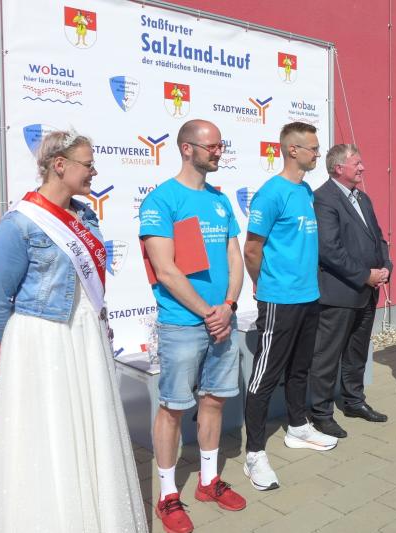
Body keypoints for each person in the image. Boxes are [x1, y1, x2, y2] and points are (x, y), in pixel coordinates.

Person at [0, 131, 148, 532]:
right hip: (43, 342)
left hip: (86, 338)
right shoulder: (19, 225)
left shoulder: (86, 216)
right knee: (49, 432)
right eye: (88, 164)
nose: (94, 172)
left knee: (92, 428)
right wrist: (21, 351)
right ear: (59, 165)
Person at [140, 119, 247, 533]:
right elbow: (165, 269)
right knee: (172, 408)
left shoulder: (220, 200)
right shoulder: (162, 200)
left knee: (215, 401)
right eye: (212, 146)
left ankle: (208, 481)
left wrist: (229, 306)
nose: (219, 151)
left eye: (221, 145)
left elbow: (235, 258)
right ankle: (168, 495)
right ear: (187, 148)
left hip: (223, 320)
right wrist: (208, 312)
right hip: (183, 325)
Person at [243, 122, 337, 492]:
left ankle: (298, 427)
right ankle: (254, 453)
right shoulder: (271, 194)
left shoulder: (305, 191)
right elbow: (252, 249)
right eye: (313, 148)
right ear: (292, 150)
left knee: (300, 368)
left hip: (309, 296)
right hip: (279, 299)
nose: (318, 153)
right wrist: (264, 285)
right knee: (265, 376)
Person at [307, 144, 392, 439]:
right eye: (357, 163)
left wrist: (386, 266)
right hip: (339, 293)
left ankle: (354, 401)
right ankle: (321, 413)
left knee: (358, 351)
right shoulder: (323, 198)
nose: (362, 168)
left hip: (367, 291)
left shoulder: (362, 198)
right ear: (338, 167)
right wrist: (365, 275)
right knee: (327, 355)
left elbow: (378, 238)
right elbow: (329, 249)